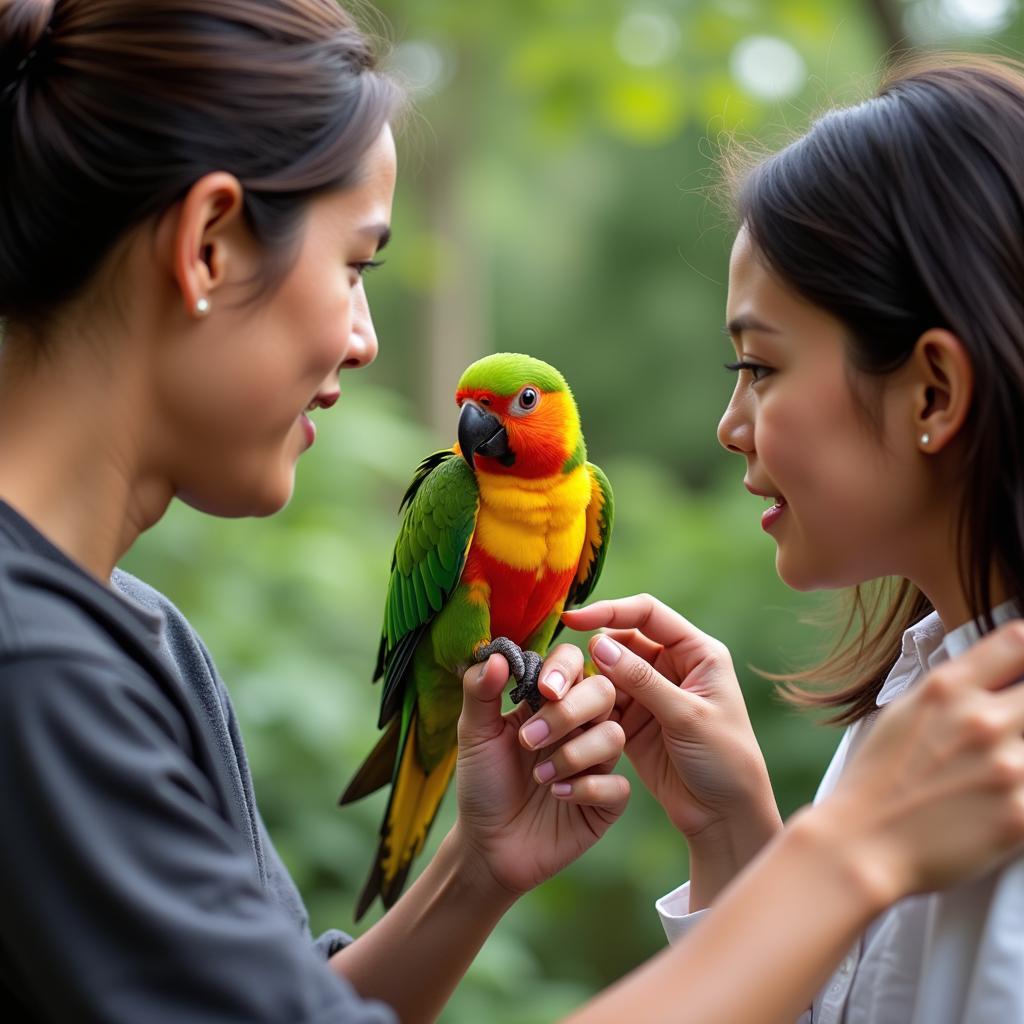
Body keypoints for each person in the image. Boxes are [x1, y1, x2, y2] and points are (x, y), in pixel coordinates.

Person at [0, 0, 1022, 1018]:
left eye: (756, 365)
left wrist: (483, 868)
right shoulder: (42, 669)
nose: (364, 338)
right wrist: (839, 857)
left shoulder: (147, 644)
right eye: (355, 264)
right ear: (209, 245)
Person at [560, 53, 1024, 1024]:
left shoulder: (989, 756)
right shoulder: (914, 720)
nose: (731, 424)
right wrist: (734, 843)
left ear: (932, 393)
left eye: (760, 366)